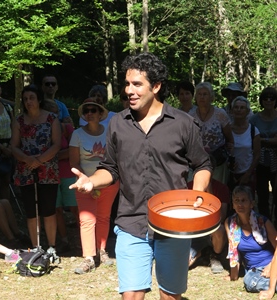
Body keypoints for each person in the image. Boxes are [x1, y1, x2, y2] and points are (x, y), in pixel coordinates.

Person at [69, 52, 212, 300]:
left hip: (172, 222)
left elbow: (202, 164)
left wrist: (198, 194)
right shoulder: (118, 124)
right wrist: (91, 181)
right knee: (131, 295)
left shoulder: (182, 123)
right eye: (127, 84)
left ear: (155, 87)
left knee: (169, 296)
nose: (129, 91)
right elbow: (110, 168)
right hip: (130, 221)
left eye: (137, 84)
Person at [69, 98, 119, 274]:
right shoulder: (77, 134)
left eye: (93, 110)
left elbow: (115, 159)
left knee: (104, 217)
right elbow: (74, 162)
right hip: (84, 182)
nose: (89, 113)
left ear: (100, 114)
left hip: (108, 183)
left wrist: (100, 181)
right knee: (87, 219)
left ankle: (102, 251)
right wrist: (88, 181)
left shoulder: (109, 133)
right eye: (87, 111)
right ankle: (89, 258)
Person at [11, 84, 61, 257]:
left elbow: (57, 144)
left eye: (31, 98)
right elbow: (14, 146)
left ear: (39, 99)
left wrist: (39, 160)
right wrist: (28, 160)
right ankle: (35, 246)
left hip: (48, 170)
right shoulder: (19, 121)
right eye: (25, 99)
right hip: (25, 170)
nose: (28, 102)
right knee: (31, 210)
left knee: (48, 208)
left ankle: (52, 245)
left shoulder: (51, 118)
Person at [225, 185, 277, 294]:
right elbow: (233, 250)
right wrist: (233, 276)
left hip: (272, 265)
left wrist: (271, 267)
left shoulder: (263, 222)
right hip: (255, 271)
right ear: (233, 205)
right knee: (249, 281)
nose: (240, 204)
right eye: (236, 200)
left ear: (251, 204)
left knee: (251, 282)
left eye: (244, 200)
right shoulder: (230, 223)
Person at [43, 99, 78, 254]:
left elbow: (73, 151)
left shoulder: (67, 128)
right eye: (50, 111)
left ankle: (83, 240)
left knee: (75, 208)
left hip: (68, 173)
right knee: (56, 209)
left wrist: (48, 156)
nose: (53, 114)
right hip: (49, 174)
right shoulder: (41, 129)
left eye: (56, 111)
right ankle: (64, 241)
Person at [188, 156, 229, 274]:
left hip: (213, 229)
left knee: (219, 230)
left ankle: (215, 255)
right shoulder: (188, 186)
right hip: (194, 231)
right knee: (184, 265)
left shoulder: (221, 188)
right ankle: (201, 252)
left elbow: (221, 216)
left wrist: (209, 192)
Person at [189, 82, 234, 184]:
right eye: (199, 94)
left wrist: (230, 159)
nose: (202, 97)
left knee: (217, 191)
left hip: (218, 161)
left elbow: (230, 139)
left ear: (211, 97)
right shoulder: (190, 115)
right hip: (197, 161)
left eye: (205, 94)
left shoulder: (220, 114)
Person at [249, 87, 277, 220]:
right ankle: (265, 224)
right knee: (262, 194)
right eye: (265, 98)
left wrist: (261, 139)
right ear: (261, 100)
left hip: (276, 161)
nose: (269, 100)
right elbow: (250, 138)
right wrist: (271, 140)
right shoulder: (254, 119)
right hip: (259, 161)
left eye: (272, 98)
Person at [229, 96, 260, 195]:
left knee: (247, 202)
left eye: (242, 108)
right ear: (232, 110)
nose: (239, 110)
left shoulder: (253, 131)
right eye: (236, 107)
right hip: (229, 174)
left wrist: (248, 174)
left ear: (247, 111)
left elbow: (257, 155)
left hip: (247, 173)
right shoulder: (226, 130)